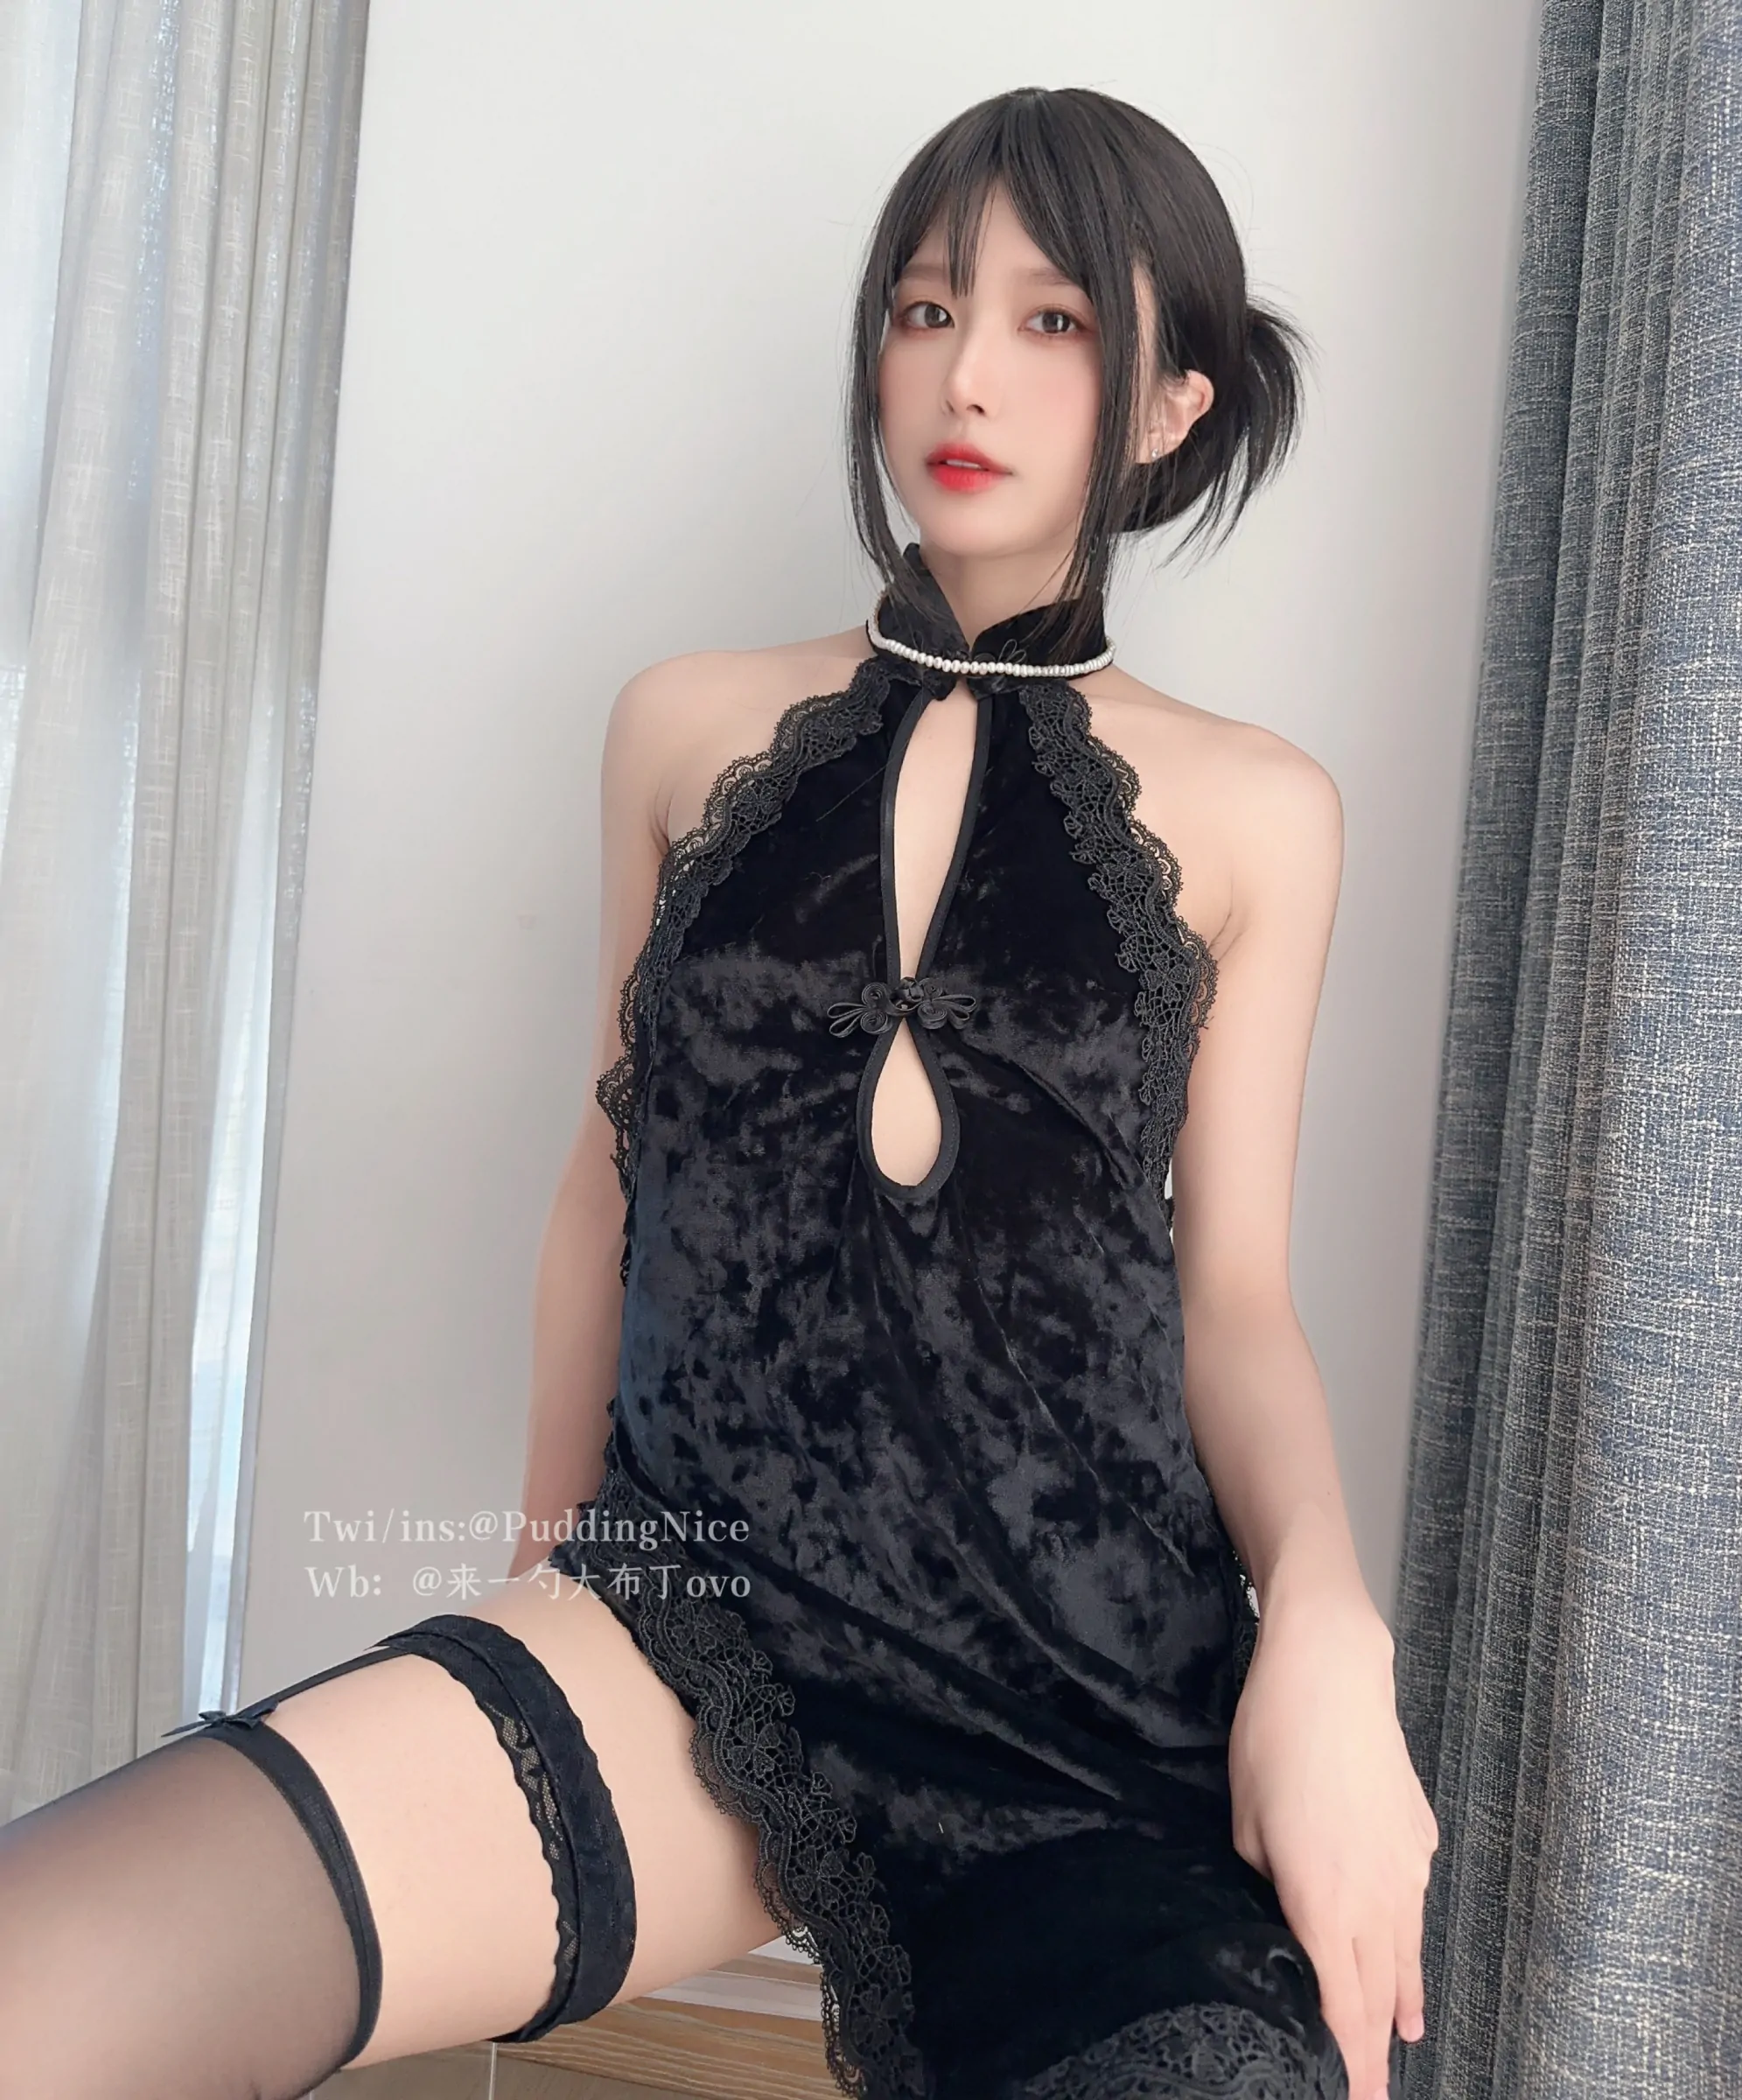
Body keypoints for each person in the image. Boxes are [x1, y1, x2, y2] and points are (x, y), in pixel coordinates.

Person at [0, 84, 1437, 2100]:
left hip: (1087, 1694)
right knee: (54, 1975)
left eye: (1050, 322)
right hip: (693, 1619)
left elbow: (1235, 1306)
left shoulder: (1259, 810)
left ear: (1169, 404)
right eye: (923, 308)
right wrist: (540, 1572)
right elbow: (606, 1183)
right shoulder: (683, 726)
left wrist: (1329, 1636)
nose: (962, 371)